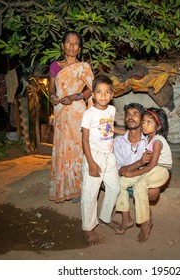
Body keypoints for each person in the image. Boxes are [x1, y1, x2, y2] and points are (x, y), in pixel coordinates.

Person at [48, 30, 94, 204]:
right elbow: (51, 88)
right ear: (62, 45)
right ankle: (64, 187)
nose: (72, 46)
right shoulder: (55, 66)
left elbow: (91, 89)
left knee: (78, 149)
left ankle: (80, 188)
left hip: (77, 112)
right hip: (61, 110)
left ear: (79, 48)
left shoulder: (84, 67)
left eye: (75, 43)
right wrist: (53, 96)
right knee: (62, 149)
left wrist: (75, 96)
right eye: (68, 42)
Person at [115, 107, 172, 242]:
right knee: (121, 182)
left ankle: (145, 223)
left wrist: (133, 173)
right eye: (144, 122)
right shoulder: (148, 138)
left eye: (149, 123)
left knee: (140, 186)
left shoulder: (157, 141)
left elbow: (152, 165)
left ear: (158, 126)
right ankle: (126, 217)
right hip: (152, 170)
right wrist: (112, 129)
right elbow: (126, 132)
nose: (144, 125)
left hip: (161, 170)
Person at [80, 75, 125, 245]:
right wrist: (91, 162)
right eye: (99, 92)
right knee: (90, 193)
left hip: (109, 155)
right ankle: (89, 228)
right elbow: (84, 139)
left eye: (107, 92)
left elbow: (109, 128)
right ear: (92, 94)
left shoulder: (111, 111)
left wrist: (123, 132)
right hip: (94, 156)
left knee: (114, 188)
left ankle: (105, 217)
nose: (103, 95)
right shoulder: (88, 114)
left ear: (112, 95)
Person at [113, 103, 158, 232]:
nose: (130, 117)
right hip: (127, 178)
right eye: (128, 114)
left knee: (153, 192)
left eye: (135, 114)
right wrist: (139, 163)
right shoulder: (119, 141)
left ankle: (146, 215)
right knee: (117, 181)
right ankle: (126, 219)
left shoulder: (150, 141)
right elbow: (120, 169)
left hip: (144, 178)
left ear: (142, 118)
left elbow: (154, 168)